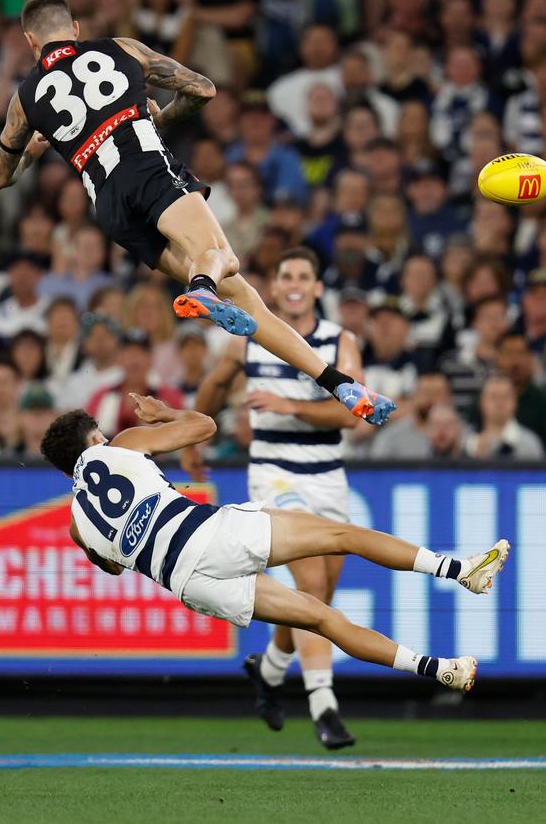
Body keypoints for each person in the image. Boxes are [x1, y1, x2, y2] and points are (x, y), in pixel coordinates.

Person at [0, 0, 394, 429]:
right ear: (76, 28)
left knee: (245, 298)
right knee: (225, 259)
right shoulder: (122, 48)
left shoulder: (25, 99)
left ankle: (337, 383)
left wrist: (30, 151)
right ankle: (201, 287)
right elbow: (203, 90)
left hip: (108, 206)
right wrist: (157, 120)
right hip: (147, 168)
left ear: (31, 41)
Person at [40, 397, 511, 706]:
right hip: (212, 536)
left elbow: (114, 567)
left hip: (189, 585)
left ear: (66, 473)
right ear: (95, 439)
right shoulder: (122, 445)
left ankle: (440, 669)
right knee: (341, 535)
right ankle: (461, 570)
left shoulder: (77, 527)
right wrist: (165, 415)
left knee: (319, 619)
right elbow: (204, 427)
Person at [182, 247, 360, 749]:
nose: (296, 283)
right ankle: (324, 705)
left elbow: (350, 414)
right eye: (287, 277)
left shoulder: (340, 341)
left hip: (327, 475)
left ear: (318, 287)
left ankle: (271, 668)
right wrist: (193, 440)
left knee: (318, 597)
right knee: (309, 581)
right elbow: (214, 386)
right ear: (275, 288)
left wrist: (287, 405)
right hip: (275, 474)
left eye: (305, 275)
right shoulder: (247, 336)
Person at [465, 374, 544, 460]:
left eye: (505, 396)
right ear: (481, 402)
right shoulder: (465, 439)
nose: (499, 402)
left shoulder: (530, 443)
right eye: (493, 396)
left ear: (515, 402)